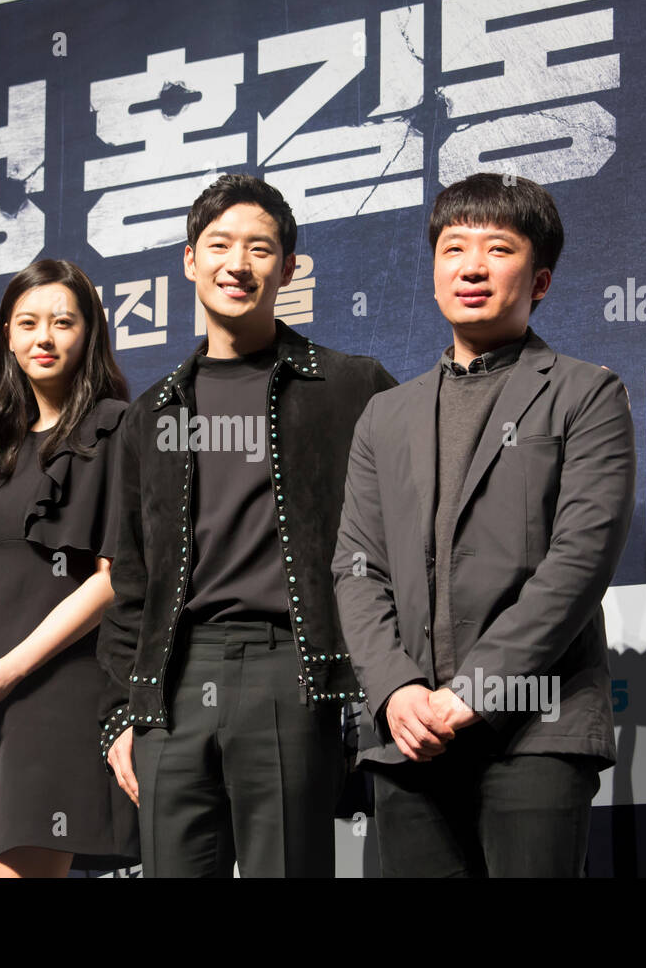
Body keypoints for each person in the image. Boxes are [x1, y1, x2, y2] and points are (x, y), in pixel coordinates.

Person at [332, 172, 635, 877]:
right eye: (453, 247)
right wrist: (396, 689)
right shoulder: (386, 414)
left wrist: (476, 689)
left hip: (535, 729)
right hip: (408, 738)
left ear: (541, 280)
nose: (471, 266)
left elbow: (579, 562)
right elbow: (357, 565)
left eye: (498, 248)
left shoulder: (586, 392)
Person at [97, 174, 397, 877]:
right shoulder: (152, 414)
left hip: (289, 669)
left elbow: (403, 537)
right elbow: (129, 580)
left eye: (260, 249)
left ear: (288, 269)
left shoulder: (350, 385)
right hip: (173, 680)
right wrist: (121, 711)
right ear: (189, 260)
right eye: (220, 244)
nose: (239, 263)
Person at [0, 259, 138, 878]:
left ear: (89, 334)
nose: (44, 337)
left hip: (53, 688)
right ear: (7, 337)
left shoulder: (114, 428)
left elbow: (113, 577)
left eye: (63, 322)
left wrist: (11, 669)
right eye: (29, 322)